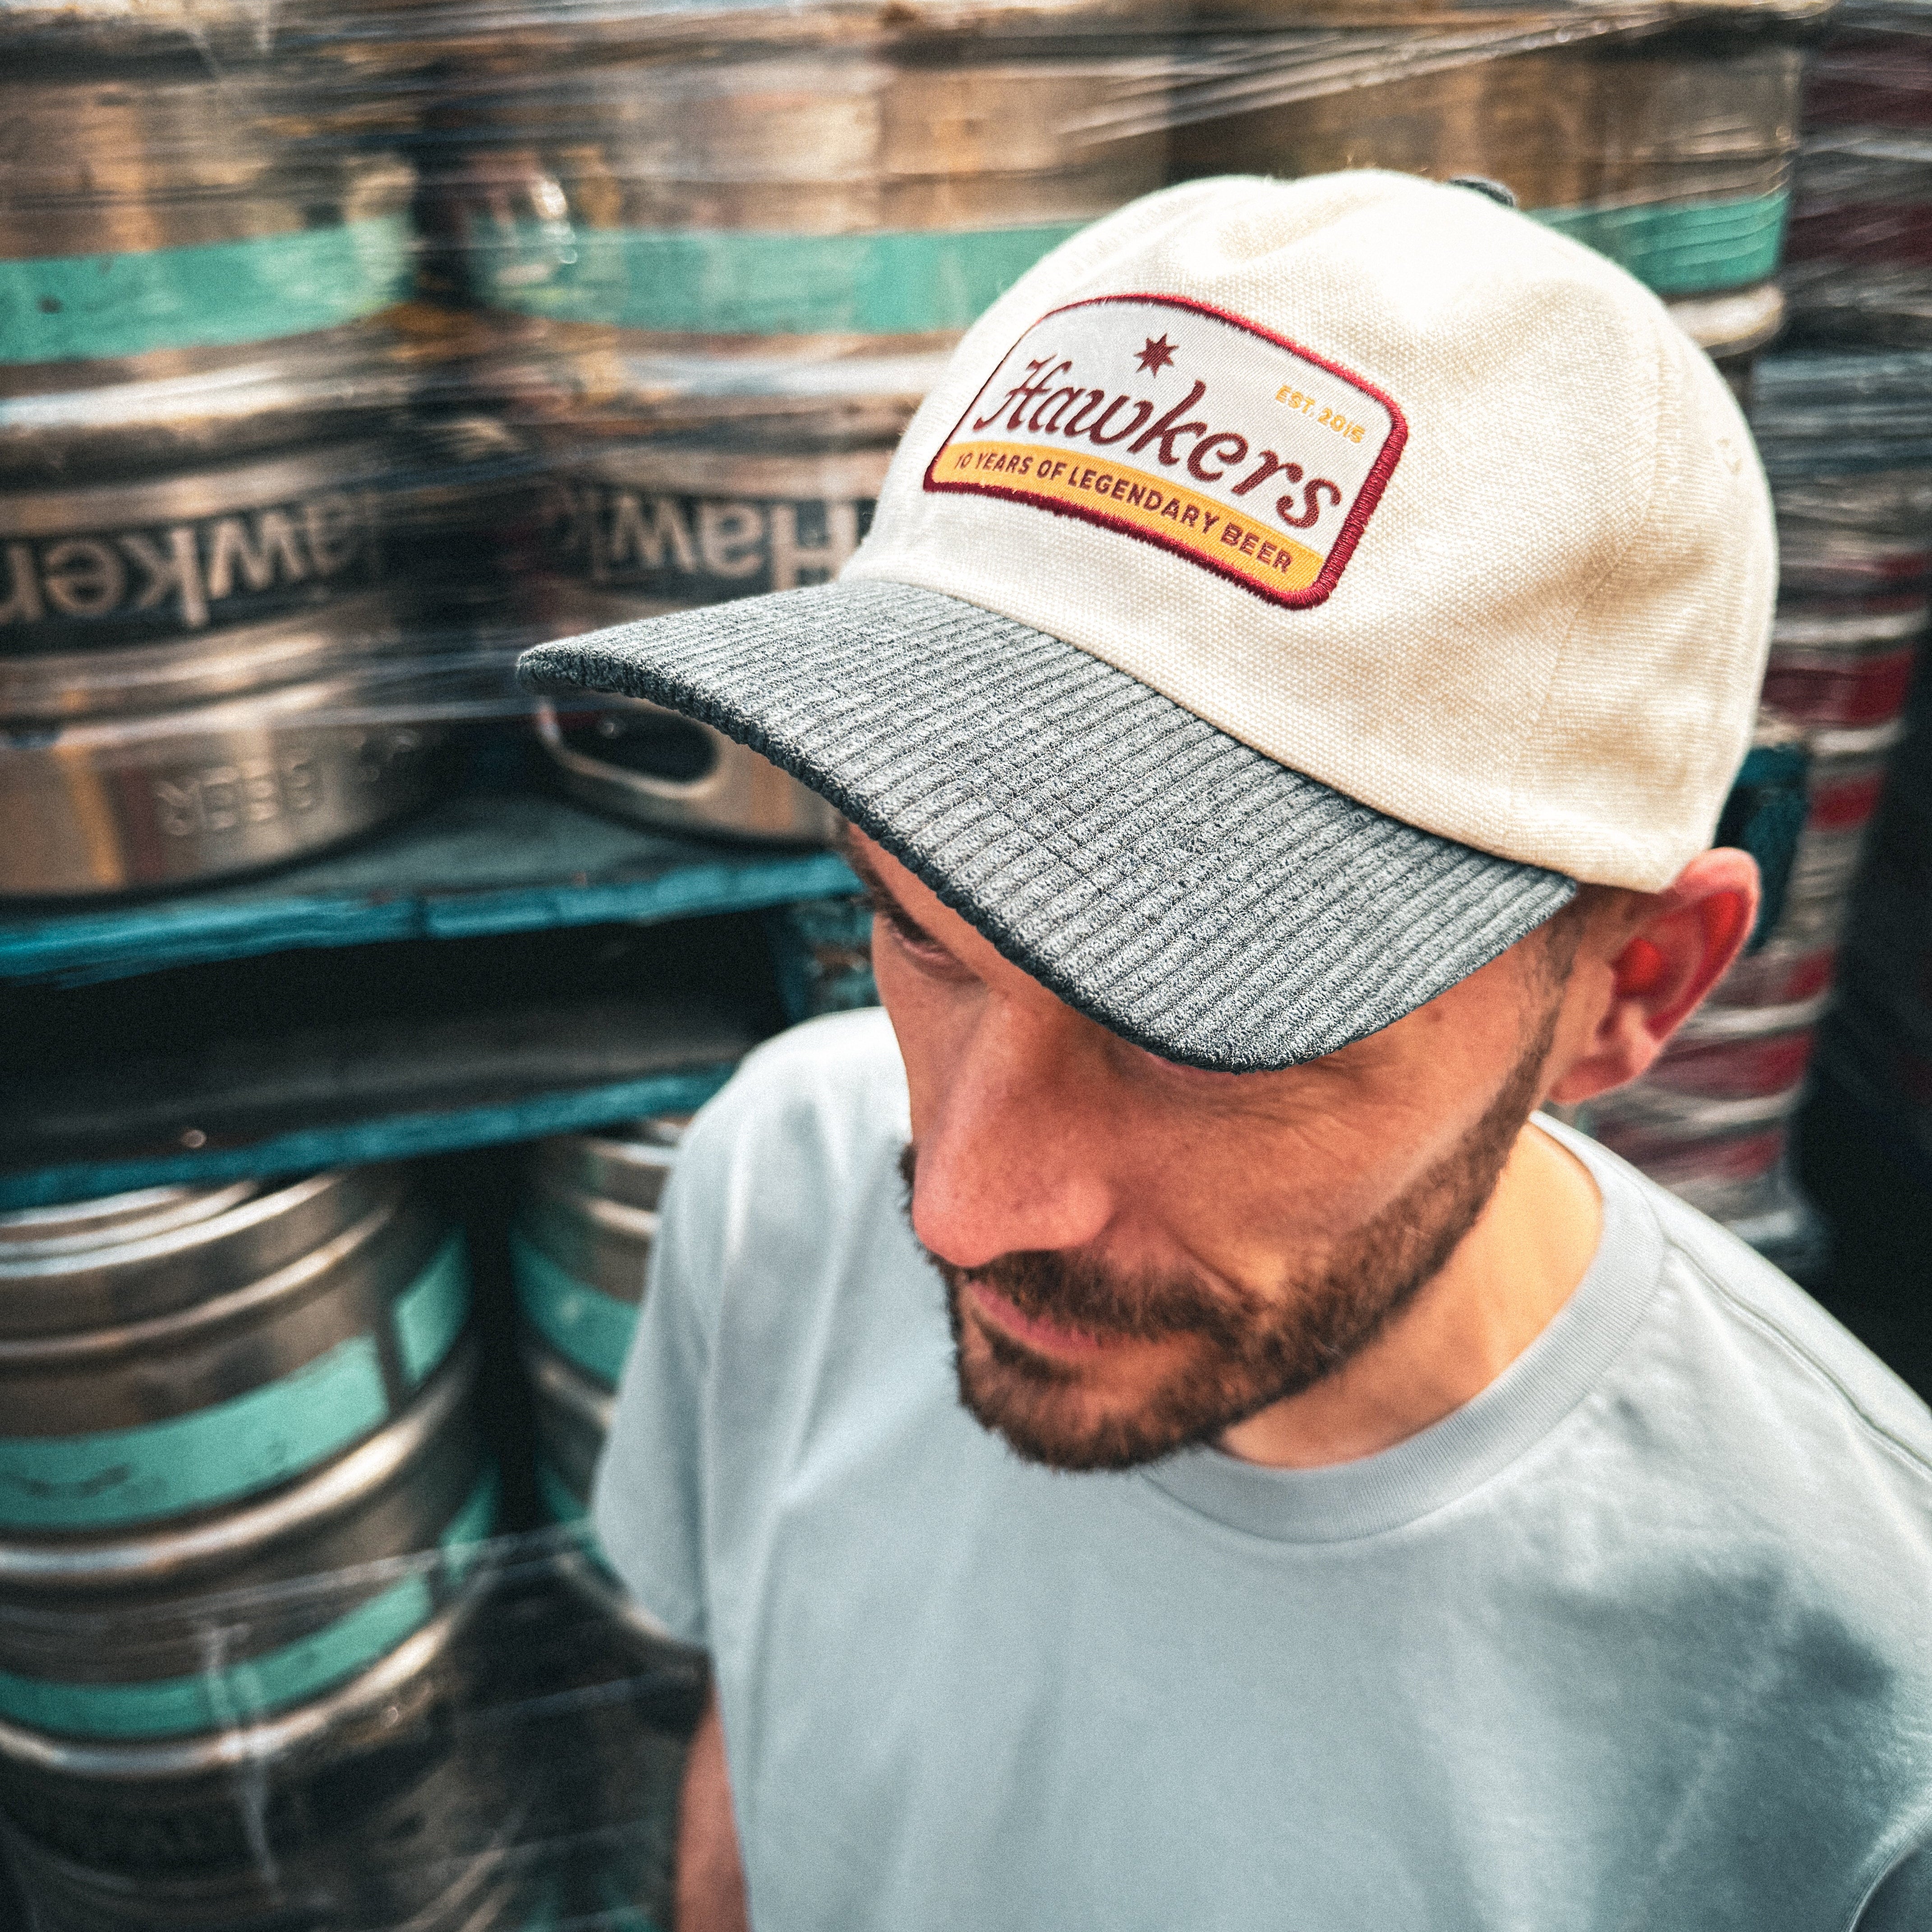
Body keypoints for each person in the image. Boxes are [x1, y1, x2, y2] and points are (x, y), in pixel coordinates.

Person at [519, 171, 1932, 1929]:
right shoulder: (779, 1179)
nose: (957, 1208)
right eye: (917, 935)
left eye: (1204, 1033)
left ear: (1635, 981)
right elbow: (765, 1754)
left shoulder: (1863, 1723)